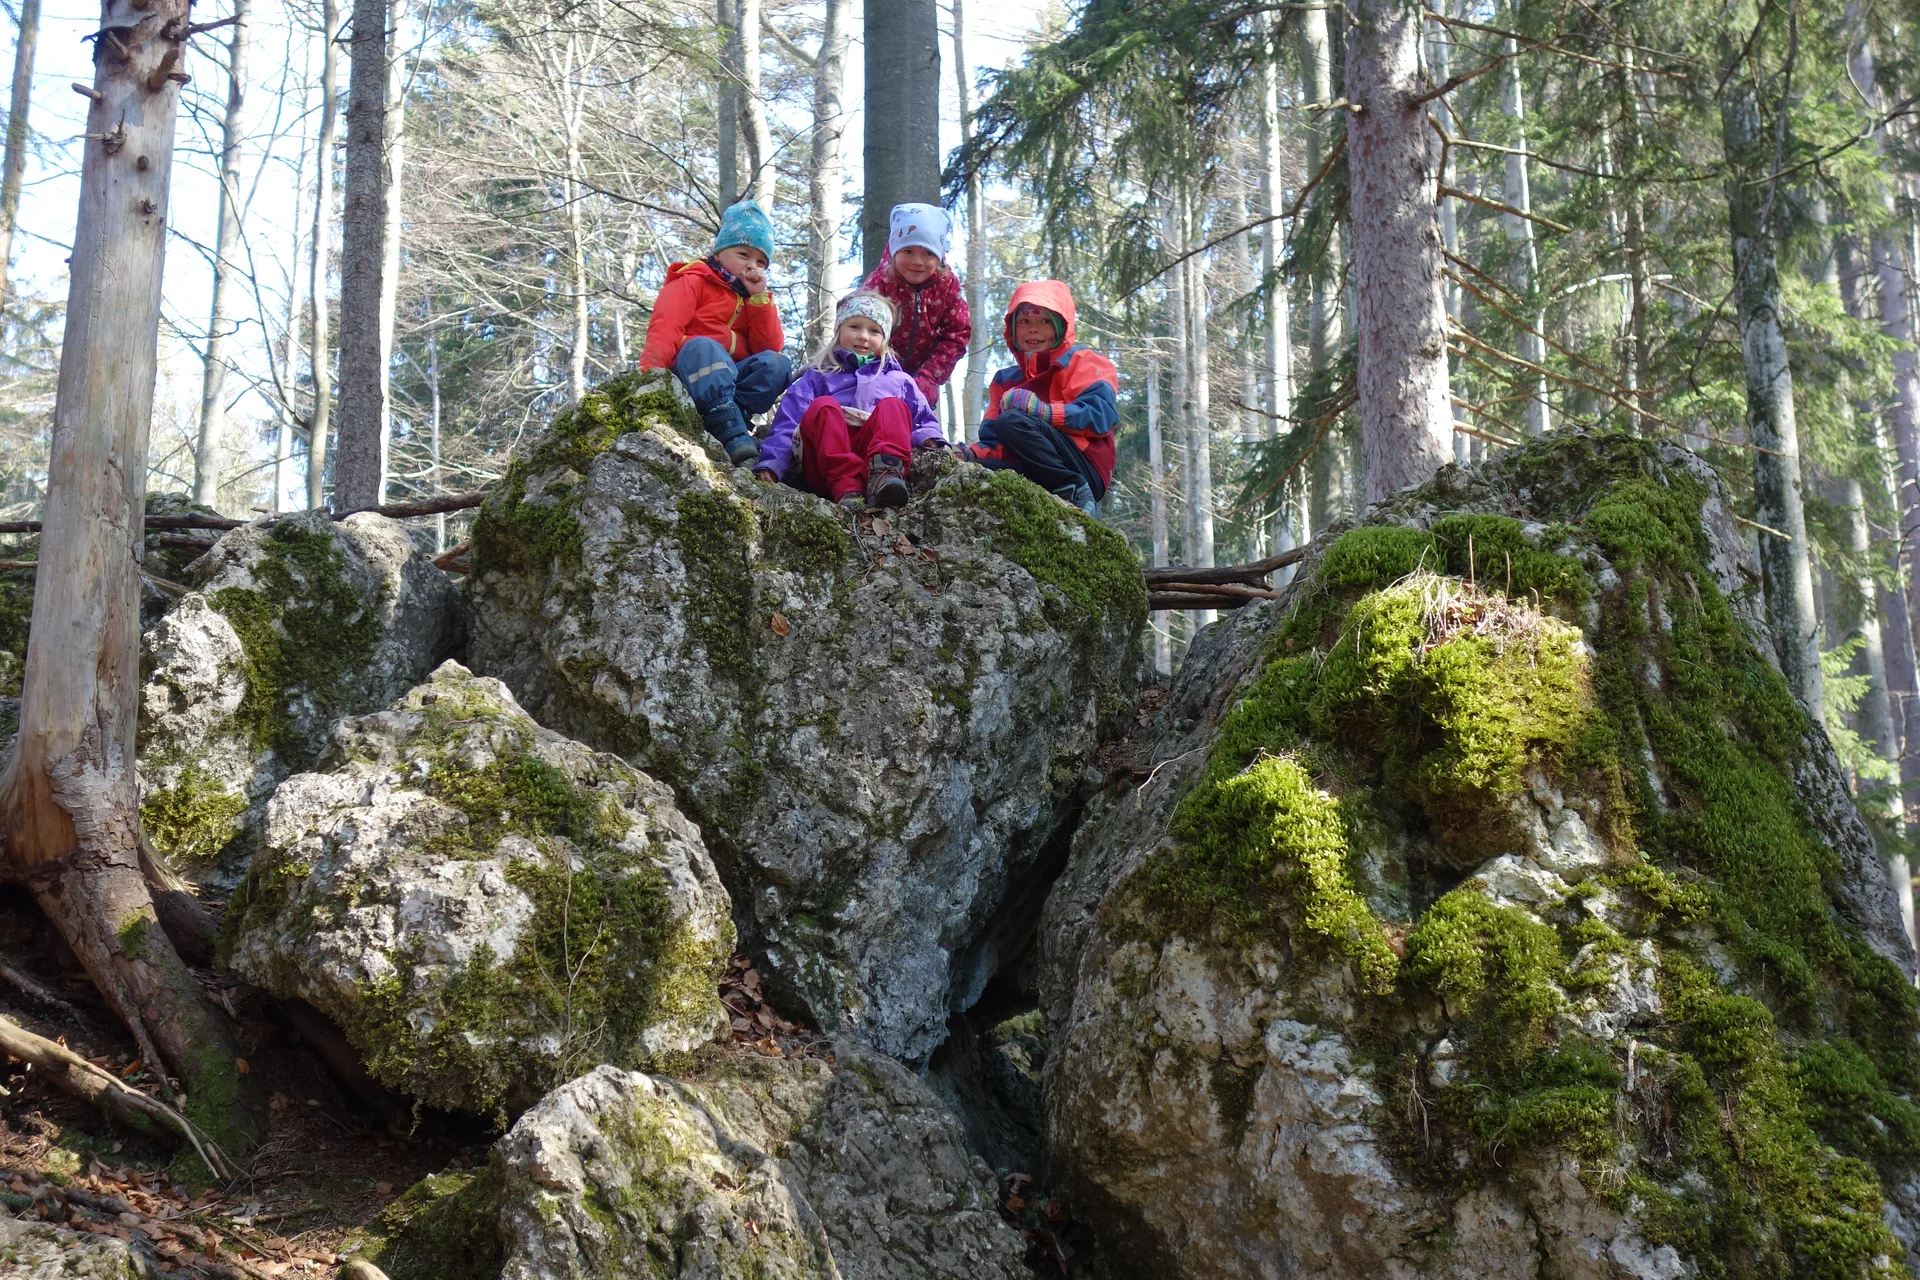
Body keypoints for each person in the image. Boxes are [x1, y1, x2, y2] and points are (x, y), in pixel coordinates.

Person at [757, 291, 946, 511]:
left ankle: (885, 475)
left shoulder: (899, 380)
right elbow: (788, 422)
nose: (863, 336)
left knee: (893, 406)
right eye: (854, 326)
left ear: (884, 339)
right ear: (839, 330)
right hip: (825, 466)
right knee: (823, 406)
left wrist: (930, 438)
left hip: (872, 458)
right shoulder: (818, 375)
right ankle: (846, 487)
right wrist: (773, 464)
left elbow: (923, 419)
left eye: (874, 331)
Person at [638, 199, 792, 467]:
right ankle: (727, 425)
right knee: (705, 347)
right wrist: (651, 374)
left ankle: (735, 417)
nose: (751, 266)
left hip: (731, 381)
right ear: (720, 252)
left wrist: (759, 300)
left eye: (760, 261)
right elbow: (665, 326)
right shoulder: (693, 279)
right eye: (743, 255)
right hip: (692, 372)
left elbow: (767, 348)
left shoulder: (753, 298)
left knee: (777, 364)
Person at [965, 281, 1118, 515]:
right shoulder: (1004, 379)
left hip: (1083, 466)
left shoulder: (1085, 361)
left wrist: (1044, 412)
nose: (1033, 329)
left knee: (1012, 420)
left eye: (1045, 321)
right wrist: (970, 454)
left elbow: (1100, 417)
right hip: (1033, 466)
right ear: (1012, 328)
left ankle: (1076, 492)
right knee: (976, 470)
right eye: (1024, 321)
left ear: (1061, 326)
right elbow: (994, 442)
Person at [858, 202, 971, 406]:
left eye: (928, 253)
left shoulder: (947, 286)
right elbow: (860, 323)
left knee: (916, 418)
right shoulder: (881, 282)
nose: (918, 261)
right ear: (895, 251)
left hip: (923, 378)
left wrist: (929, 376)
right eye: (908, 251)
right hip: (877, 372)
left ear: (939, 256)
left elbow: (957, 334)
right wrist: (875, 369)